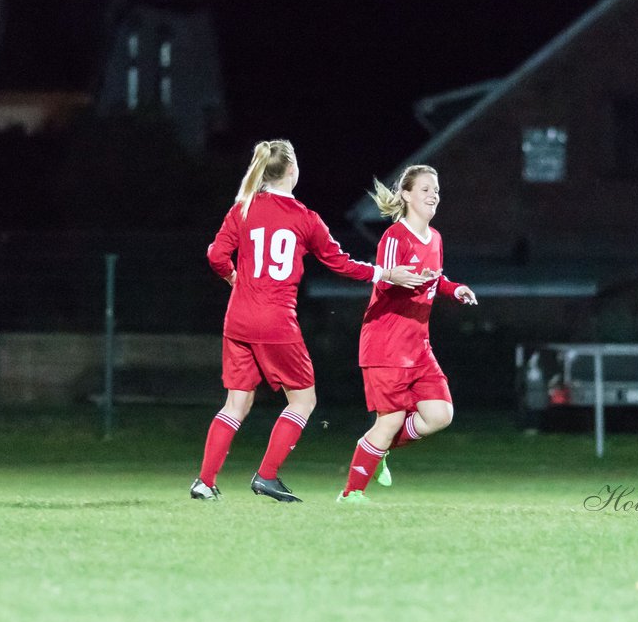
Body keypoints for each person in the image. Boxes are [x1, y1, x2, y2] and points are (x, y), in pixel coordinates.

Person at [193, 139, 425, 503]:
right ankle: (266, 477)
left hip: (237, 318)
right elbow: (340, 263)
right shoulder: (304, 217)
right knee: (302, 401)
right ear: (290, 170)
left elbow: (216, 256)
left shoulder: (243, 208)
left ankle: (204, 482)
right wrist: (385, 274)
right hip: (275, 321)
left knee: (235, 403)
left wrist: (235, 279)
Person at [338, 165, 477, 503]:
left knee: (440, 414)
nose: (434, 195)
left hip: (418, 346)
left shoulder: (436, 238)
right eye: (426, 189)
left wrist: (455, 289)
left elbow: (436, 279)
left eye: (436, 190)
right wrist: (396, 277)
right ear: (406, 195)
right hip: (385, 344)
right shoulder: (395, 237)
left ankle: (379, 447)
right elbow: (383, 278)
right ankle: (351, 494)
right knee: (391, 419)